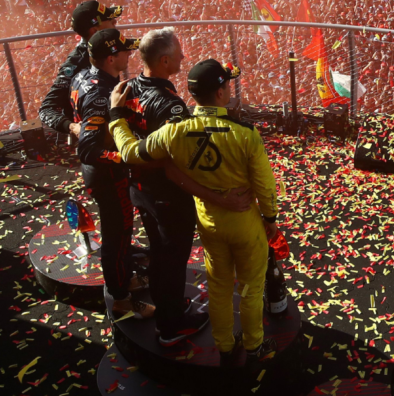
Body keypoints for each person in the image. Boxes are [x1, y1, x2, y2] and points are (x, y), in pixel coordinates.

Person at [110, 59, 280, 371]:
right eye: (226, 84)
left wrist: (116, 118)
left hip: (209, 223)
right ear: (219, 92)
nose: (229, 88)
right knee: (252, 289)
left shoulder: (175, 132)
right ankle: (254, 347)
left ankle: (226, 349)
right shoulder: (245, 134)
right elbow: (265, 186)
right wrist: (270, 219)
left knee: (218, 286)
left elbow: (131, 152)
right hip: (245, 224)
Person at [123, 27, 252, 346]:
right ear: (165, 60)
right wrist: (218, 198)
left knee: (158, 254)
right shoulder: (170, 106)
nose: (184, 55)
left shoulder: (128, 88)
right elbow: (174, 168)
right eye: (179, 51)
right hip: (166, 198)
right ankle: (171, 327)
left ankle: (169, 306)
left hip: (139, 190)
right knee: (172, 258)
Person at [71, 27, 154, 319]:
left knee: (120, 234)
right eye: (123, 50)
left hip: (104, 174)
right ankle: (120, 299)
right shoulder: (99, 92)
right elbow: (88, 149)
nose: (129, 53)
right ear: (110, 58)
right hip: (107, 175)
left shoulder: (87, 76)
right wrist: (125, 158)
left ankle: (123, 280)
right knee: (117, 236)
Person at [40, 0, 122, 139]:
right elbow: (47, 109)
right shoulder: (74, 64)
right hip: (91, 140)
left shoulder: (108, 51)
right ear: (95, 31)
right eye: (112, 22)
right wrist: (73, 127)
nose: (116, 26)